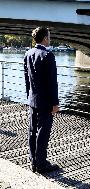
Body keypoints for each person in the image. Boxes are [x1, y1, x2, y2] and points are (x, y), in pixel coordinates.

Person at [24, 27, 60, 173]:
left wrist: (29, 97)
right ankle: (41, 164)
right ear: (45, 38)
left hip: (33, 100)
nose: (49, 39)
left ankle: (33, 161)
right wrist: (55, 103)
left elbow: (27, 80)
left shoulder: (28, 54)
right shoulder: (48, 55)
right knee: (43, 132)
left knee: (32, 131)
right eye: (49, 37)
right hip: (46, 102)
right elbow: (52, 83)